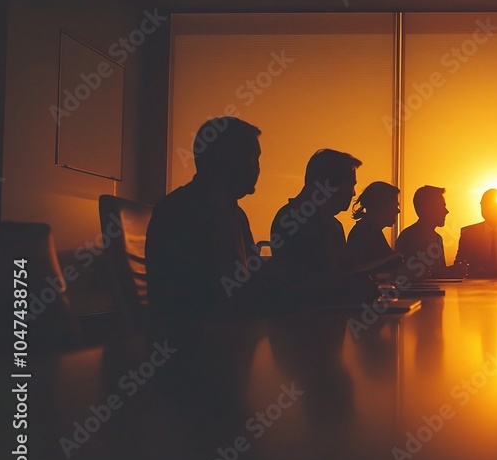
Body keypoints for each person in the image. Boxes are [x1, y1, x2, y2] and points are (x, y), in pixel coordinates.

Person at [145, 117, 263, 324]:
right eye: (252, 158)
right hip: (197, 344)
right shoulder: (179, 212)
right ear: (226, 160)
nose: (257, 169)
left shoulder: (236, 215)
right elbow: (197, 299)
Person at [268, 149, 374, 304]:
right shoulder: (294, 222)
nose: (353, 193)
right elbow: (307, 286)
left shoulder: (330, 224)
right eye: (350, 185)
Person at [395, 185, 467, 279]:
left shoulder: (437, 238)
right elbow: (411, 278)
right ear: (428, 208)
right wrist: (451, 272)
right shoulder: (408, 238)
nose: (446, 211)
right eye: (442, 206)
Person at [346, 181, 404, 273]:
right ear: (382, 206)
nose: (398, 211)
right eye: (395, 205)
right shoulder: (365, 233)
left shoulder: (369, 230)